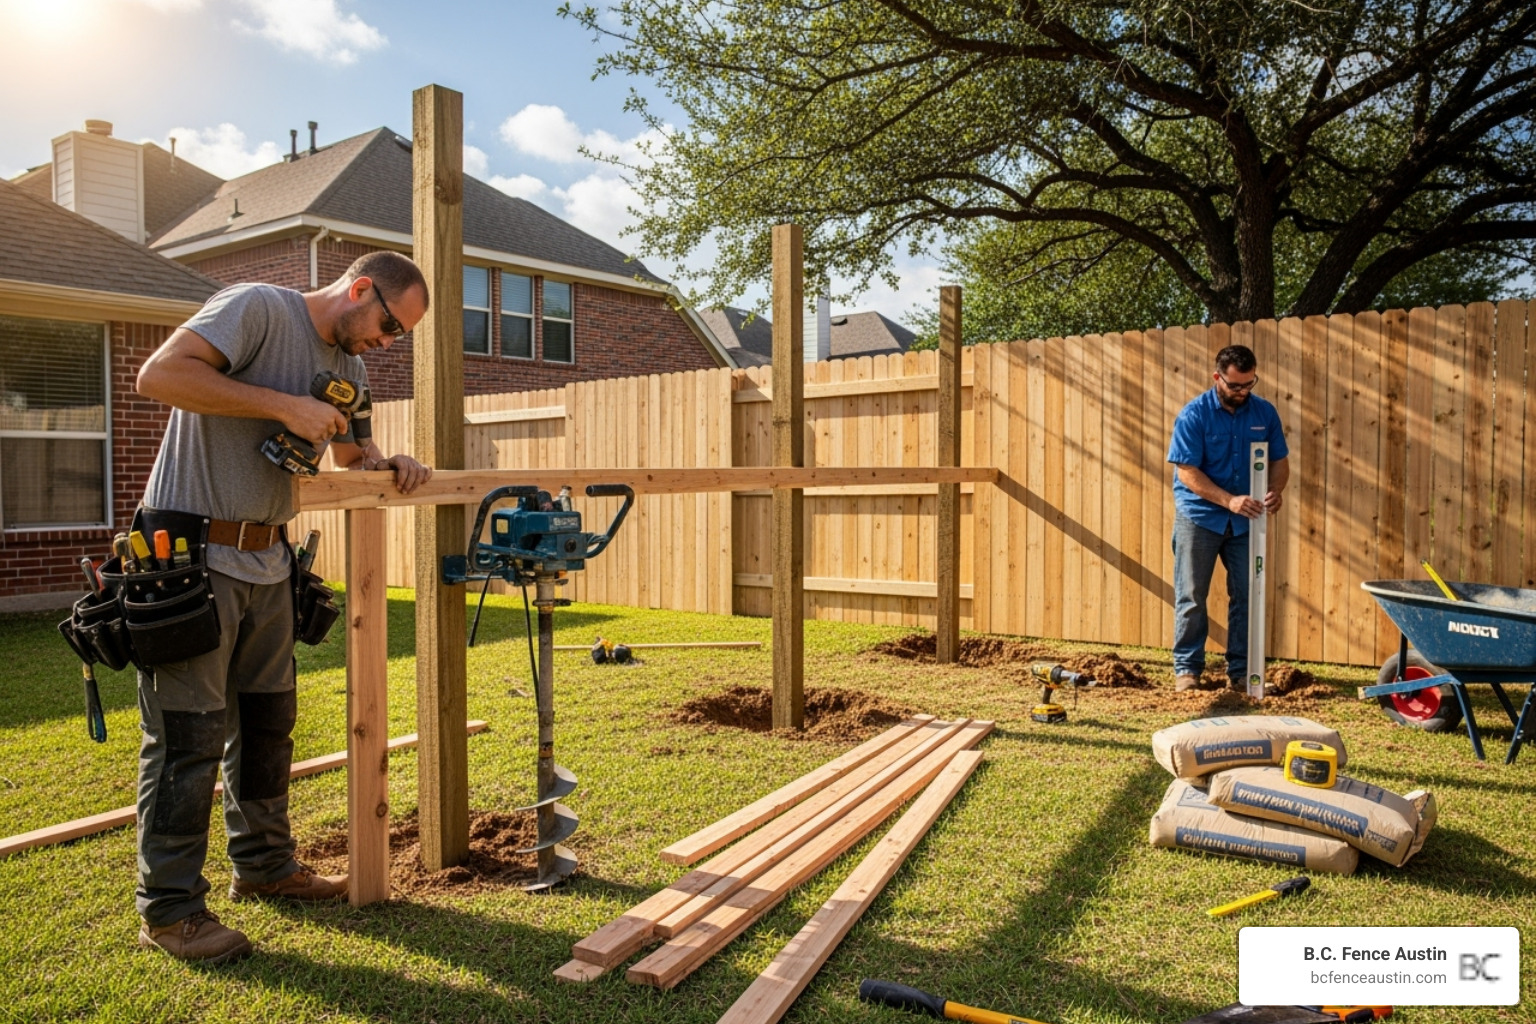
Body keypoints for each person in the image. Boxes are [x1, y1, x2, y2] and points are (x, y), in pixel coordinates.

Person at [131, 251, 433, 962]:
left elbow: (353, 459)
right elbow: (160, 376)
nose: (384, 344)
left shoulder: (353, 370)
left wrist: (394, 464)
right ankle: (171, 911)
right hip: (190, 555)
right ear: (359, 289)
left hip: (270, 559)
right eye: (387, 325)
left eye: (397, 338)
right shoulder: (256, 308)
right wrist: (282, 403)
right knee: (188, 737)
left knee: (268, 726)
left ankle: (264, 868)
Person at [1166, 344, 1289, 692]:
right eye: (1235, 386)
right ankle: (1187, 671)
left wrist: (1275, 490)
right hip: (1200, 517)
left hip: (1246, 521)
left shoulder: (1264, 413)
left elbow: (1279, 460)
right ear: (1217, 377)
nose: (1243, 392)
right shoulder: (1194, 415)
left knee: (1247, 595)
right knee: (1192, 595)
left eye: (1249, 384)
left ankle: (1241, 674)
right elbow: (1187, 471)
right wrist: (1228, 500)